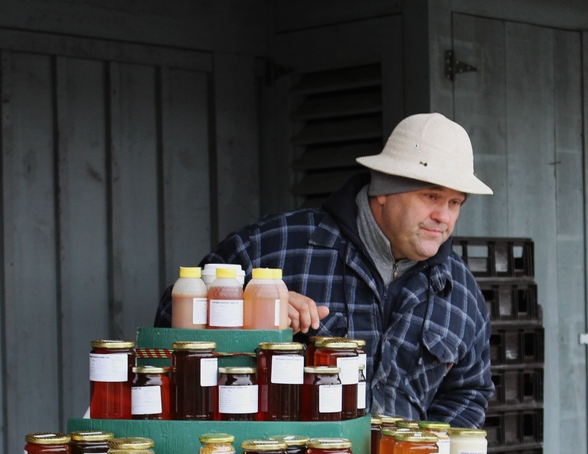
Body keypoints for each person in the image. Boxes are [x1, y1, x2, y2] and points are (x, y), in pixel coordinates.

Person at [155, 112, 494, 427]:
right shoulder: (273, 247)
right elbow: (168, 325)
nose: (444, 217)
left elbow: (469, 391)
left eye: (455, 203)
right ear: (384, 192)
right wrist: (249, 312)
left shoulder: (460, 290)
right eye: (431, 196)